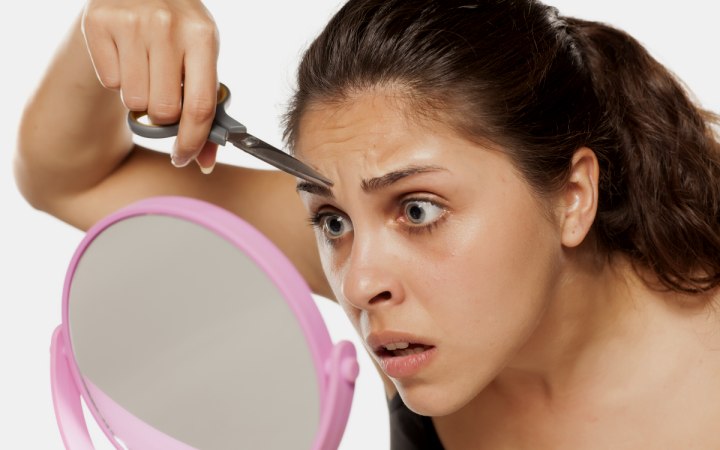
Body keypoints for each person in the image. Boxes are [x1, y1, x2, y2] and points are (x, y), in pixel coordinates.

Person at [15, 0, 720, 448]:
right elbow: (69, 177)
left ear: (571, 197)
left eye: (418, 209)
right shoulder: (383, 266)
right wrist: (103, 30)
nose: (359, 284)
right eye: (329, 221)